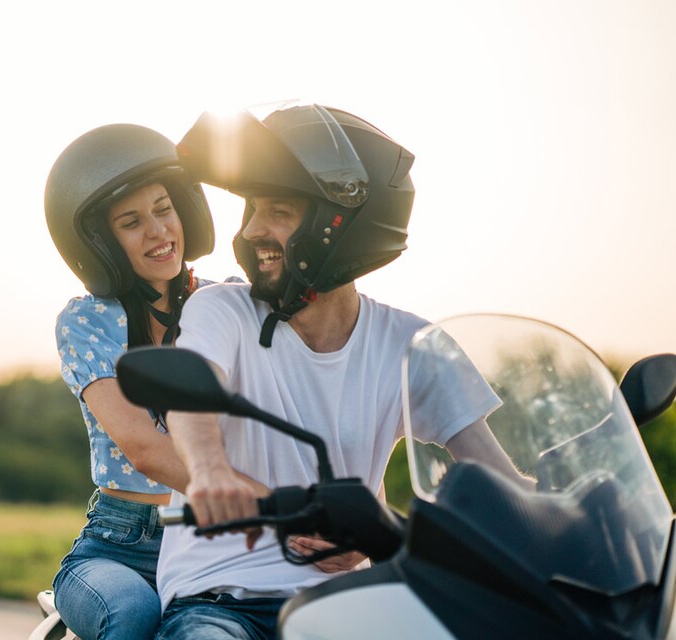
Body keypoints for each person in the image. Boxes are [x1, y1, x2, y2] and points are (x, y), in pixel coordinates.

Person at [152, 104, 531, 640]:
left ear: (341, 228)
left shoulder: (411, 345)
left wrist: (569, 510)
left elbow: (497, 479)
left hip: (348, 609)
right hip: (224, 604)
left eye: (278, 212)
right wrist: (209, 470)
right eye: (253, 209)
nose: (254, 228)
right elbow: (193, 394)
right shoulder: (222, 311)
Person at [44, 123, 217, 640]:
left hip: (214, 540)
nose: (158, 231)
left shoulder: (226, 304)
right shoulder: (87, 320)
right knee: (133, 614)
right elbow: (143, 446)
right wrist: (255, 503)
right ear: (101, 241)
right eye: (131, 221)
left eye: (164, 208)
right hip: (118, 545)